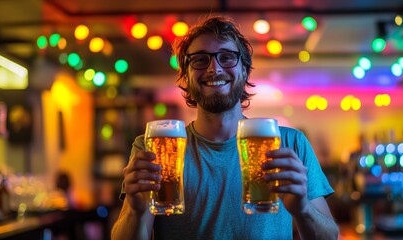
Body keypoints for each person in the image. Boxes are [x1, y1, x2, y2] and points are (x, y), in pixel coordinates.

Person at [111, 16, 339, 240]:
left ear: (244, 70)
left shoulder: (291, 144)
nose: (214, 68)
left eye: (227, 57)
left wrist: (302, 210)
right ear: (186, 76)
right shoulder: (150, 148)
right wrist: (135, 210)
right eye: (200, 60)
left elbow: (330, 237)